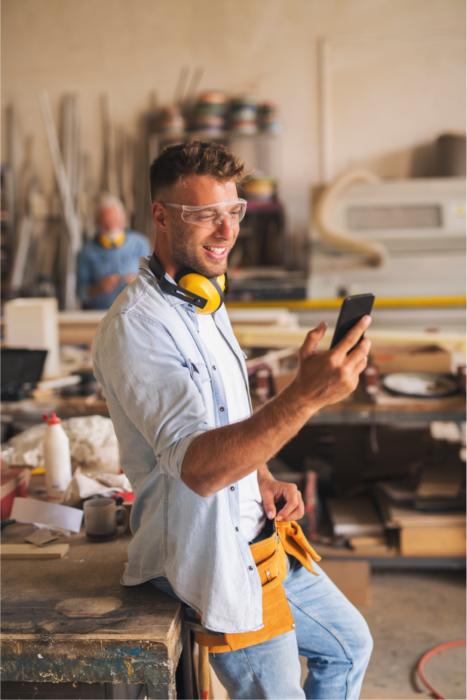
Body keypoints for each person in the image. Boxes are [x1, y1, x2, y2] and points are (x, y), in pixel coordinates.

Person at [92, 142, 373, 699]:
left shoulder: (205, 298)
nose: (226, 231)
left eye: (234, 211)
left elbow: (229, 415)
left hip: (263, 538)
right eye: (204, 215)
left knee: (349, 646)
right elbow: (199, 468)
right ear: (161, 216)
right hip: (211, 559)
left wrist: (264, 477)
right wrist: (305, 397)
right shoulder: (136, 328)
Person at [77, 195, 151, 309]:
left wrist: (138, 281)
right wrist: (99, 288)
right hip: (100, 316)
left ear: (123, 217)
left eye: (114, 222)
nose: (110, 228)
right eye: (105, 223)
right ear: (96, 222)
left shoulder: (139, 244)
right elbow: (80, 294)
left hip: (134, 314)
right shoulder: (87, 251)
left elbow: (153, 284)